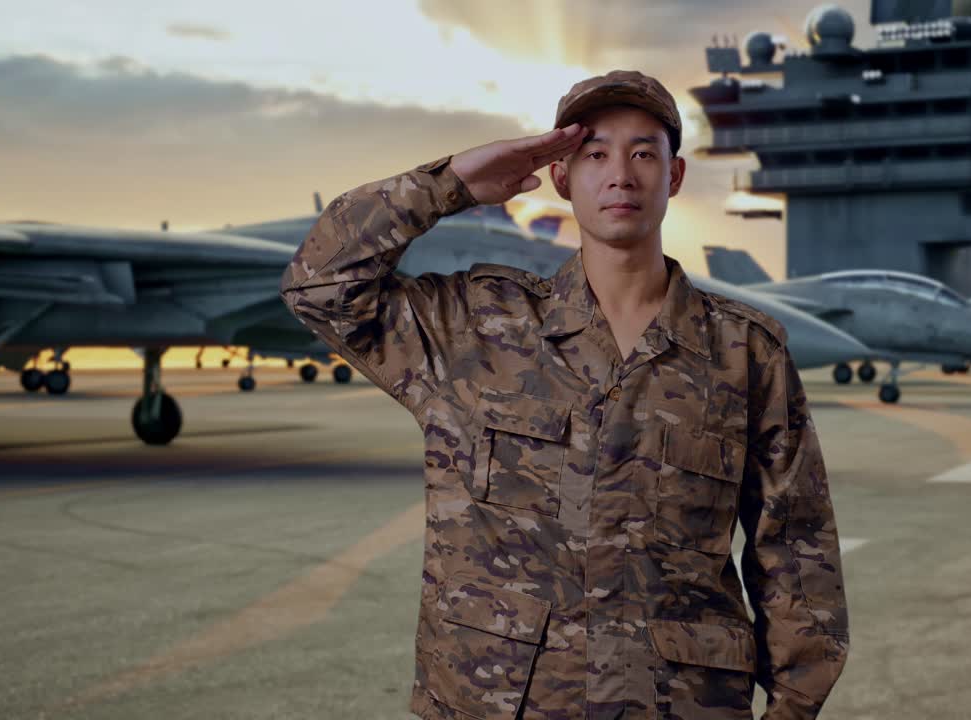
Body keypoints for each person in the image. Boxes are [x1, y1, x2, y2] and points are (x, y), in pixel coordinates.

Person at [280, 69, 849, 719]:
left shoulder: (745, 353)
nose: (621, 174)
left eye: (643, 153)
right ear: (560, 176)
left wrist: (792, 709)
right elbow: (318, 285)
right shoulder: (476, 328)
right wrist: (454, 183)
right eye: (595, 153)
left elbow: (798, 553)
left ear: (675, 176)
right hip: (493, 700)